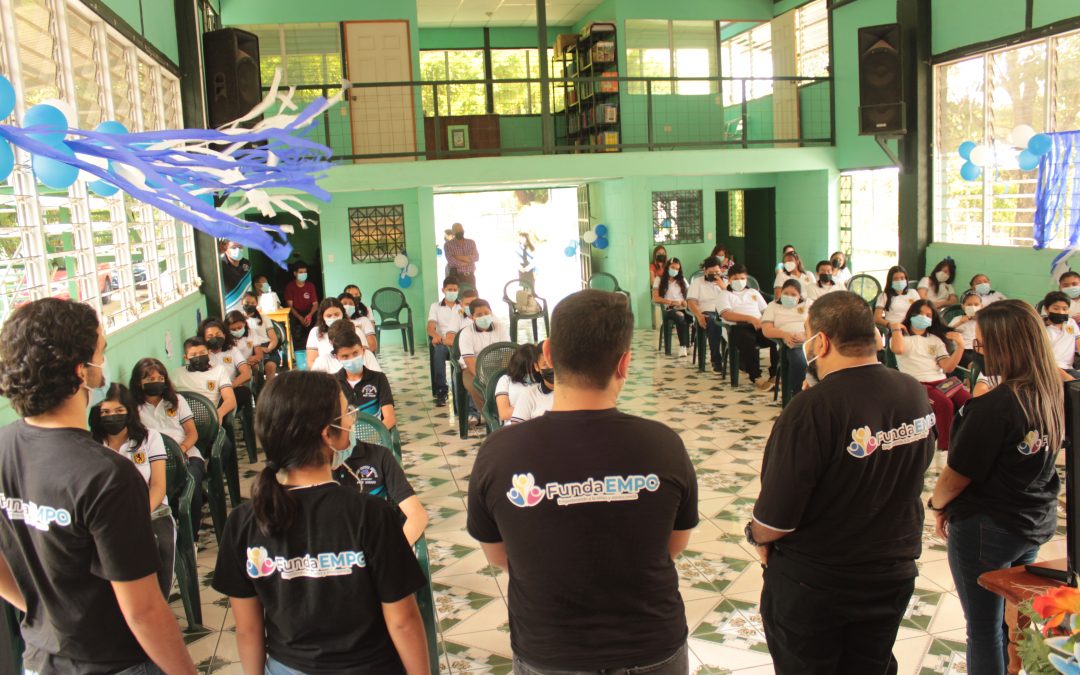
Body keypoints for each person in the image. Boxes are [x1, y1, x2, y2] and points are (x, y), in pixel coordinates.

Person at [468, 290, 697, 674]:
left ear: (549, 354)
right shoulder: (663, 445)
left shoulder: (499, 453)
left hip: (550, 651)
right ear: (624, 363)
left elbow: (499, 555)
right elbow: (673, 545)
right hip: (652, 647)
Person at [0, 298, 196, 674]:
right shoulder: (107, 475)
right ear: (81, 371)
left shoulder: (5, 448)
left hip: (41, 657)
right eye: (101, 352)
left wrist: (46, 612)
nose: (102, 364)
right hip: (113, 662)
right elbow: (144, 610)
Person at [751, 291, 935, 674]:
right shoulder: (913, 391)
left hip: (820, 584)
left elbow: (775, 519)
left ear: (821, 341)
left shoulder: (812, 409)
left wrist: (757, 537)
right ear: (876, 339)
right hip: (891, 570)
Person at [212, 371, 429, 674]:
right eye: (347, 413)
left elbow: (248, 630)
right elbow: (403, 621)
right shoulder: (372, 514)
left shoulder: (242, 522)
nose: (353, 420)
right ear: (328, 434)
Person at [928, 300, 1064, 675]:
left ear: (1007, 347)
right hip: (1033, 519)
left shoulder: (994, 406)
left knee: (983, 628)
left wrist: (938, 505)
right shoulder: (1055, 392)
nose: (978, 352)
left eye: (983, 345)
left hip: (989, 528)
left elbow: (957, 475)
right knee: (1014, 615)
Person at [90, 384, 174, 597]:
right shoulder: (91, 444)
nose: (112, 417)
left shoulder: (149, 438)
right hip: (108, 513)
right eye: (105, 412)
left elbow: (158, 485)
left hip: (150, 509)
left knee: (160, 544)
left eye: (119, 411)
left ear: (130, 411)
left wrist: (140, 514)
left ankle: (158, 600)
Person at [131, 358, 206, 534]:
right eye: (149, 380)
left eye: (159, 378)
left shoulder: (177, 400)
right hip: (153, 461)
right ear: (138, 382)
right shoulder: (133, 408)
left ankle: (192, 537)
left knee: (192, 483)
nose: (155, 383)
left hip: (186, 454)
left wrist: (181, 449)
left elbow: (192, 433)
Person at [890, 300, 971, 451]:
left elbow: (948, 366)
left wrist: (960, 347)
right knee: (945, 405)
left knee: (970, 403)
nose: (924, 317)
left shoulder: (935, 339)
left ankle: (966, 441)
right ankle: (944, 450)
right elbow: (898, 349)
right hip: (918, 384)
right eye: (920, 314)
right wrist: (895, 329)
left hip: (942, 382)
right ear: (912, 315)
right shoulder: (901, 337)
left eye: (928, 315)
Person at [719, 264, 777, 390]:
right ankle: (756, 377)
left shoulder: (753, 292)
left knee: (776, 338)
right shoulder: (724, 294)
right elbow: (726, 314)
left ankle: (775, 374)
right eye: (735, 278)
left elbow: (765, 311)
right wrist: (750, 319)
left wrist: (766, 322)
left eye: (742, 278)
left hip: (758, 325)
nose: (739, 281)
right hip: (738, 328)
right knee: (747, 339)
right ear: (729, 279)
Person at [331, 325, 397, 430]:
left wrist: (374, 438)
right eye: (345, 356)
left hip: (376, 440)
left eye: (355, 353)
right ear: (336, 357)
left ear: (363, 350)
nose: (351, 359)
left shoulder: (379, 378)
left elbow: (390, 418)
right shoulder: (331, 383)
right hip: (345, 442)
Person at [459, 299, 510, 424]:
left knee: (510, 383)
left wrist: (504, 375)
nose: (484, 317)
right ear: (472, 317)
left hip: (498, 366)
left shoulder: (500, 327)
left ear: (491, 313)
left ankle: (507, 416)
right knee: (476, 387)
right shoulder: (466, 333)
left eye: (487, 313)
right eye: (479, 315)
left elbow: (507, 352)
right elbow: (469, 361)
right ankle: (491, 419)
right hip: (472, 369)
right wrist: (484, 379)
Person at [761, 280, 809, 399]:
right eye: (786, 293)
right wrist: (785, 335)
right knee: (799, 361)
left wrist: (804, 335)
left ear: (800, 296)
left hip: (809, 341)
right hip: (789, 344)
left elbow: (818, 324)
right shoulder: (773, 306)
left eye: (793, 295)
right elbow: (766, 330)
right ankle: (798, 397)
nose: (789, 297)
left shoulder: (809, 304)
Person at [171, 337, 237, 422]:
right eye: (193, 355)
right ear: (186, 358)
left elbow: (230, 400)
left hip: (208, 422)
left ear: (209, 353)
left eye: (202, 353)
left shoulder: (219, 370)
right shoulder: (176, 374)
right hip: (182, 422)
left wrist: (219, 414)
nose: (198, 357)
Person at [687, 256, 728, 373]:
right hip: (707, 313)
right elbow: (691, 302)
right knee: (713, 321)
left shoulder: (725, 282)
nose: (714, 275)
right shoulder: (697, 283)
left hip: (725, 312)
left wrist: (723, 287)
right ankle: (716, 360)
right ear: (705, 271)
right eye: (711, 272)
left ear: (721, 270)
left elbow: (734, 299)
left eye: (717, 272)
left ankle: (741, 361)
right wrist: (698, 315)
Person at [427, 278, 464, 407]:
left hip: (460, 343)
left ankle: (463, 389)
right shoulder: (435, 306)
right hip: (443, 342)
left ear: (458, 291)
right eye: (449, 290)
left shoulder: (462, 307)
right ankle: (442, 391)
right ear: (443, 290)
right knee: (438, 351)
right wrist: (435, 335)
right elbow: (430, 327)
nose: (452, 292)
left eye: (455, 290)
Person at [310, 321, 383, 376]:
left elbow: (379, 380)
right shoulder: (323, 361)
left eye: (355, 354)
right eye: (345, 356)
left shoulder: (366, 355)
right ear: (331, 342)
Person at [652, 257, 691, 357]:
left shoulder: (682, 280)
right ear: (667, 267)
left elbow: (690, 296)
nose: (675, 271)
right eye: (673, 267)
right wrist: (671, 302)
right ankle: (683, 346)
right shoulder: (659, 279)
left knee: (692, 317)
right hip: (668, 309)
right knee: (680, 316)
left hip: (682, 307)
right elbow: (655, 298)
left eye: (677, 269)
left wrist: (684, 302)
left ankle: (689, 344)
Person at [509, 341, 556, 423]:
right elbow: (516, 428)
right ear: (537, 367)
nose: (552, 368)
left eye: (555, 363)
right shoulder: (529, 394)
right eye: (546, 364)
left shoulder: (577, 391)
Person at [494, 343, 539, 423]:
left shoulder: (542, 380)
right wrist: (535, 409)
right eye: (526, 370)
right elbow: (504, 413)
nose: (530, 373)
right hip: (514, 426)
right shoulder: (505, 381)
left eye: (533, 370)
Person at [1041, 291, 1080, 378]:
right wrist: (1069, 379)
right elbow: (1043, 361)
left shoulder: (1071, 323)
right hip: (1048, 371)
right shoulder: (1040, 329)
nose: (1061, 312)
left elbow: (1078, 342)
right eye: (1056, 308)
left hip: (1069, 369)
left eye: (1065, 309)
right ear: (1046, 309)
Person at [242, 292, 280, 378]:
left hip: (266, 347)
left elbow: (274, 339)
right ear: (242, 302)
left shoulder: (264, 318)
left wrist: (268, 349)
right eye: (247, 303)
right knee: (254, 368)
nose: (250, 305)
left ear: (256, 304)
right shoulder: (239, 320)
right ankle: (256, 388)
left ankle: (269, 390)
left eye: (252, 303)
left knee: (270, 366)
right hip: (249, 348)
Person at [284, 262, 318, 350]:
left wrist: (310, 315)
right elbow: (290, 307)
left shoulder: (310, 286)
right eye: (301, 272)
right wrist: (300, 318)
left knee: (317, 318)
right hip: (296, 313)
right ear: (295, 273)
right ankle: (297, 349)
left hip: (308, 312)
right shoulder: (290, 287)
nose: (303, 274)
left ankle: (314, 347)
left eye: (305, 272)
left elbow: (315, 304)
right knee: (292, 320)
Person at [874, 265, 921, 330]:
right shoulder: (884, 296)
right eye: (895, 279)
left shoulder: (913, 293)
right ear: (890, 281)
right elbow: (877, 318)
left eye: (902, 278)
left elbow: (920, 310)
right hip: (895, 328)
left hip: (912, 327)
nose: (899, 281)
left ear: (906, 279)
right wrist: (890, 325)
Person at [305, 297, 347, 368]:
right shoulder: (315, 332)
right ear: (322, 317)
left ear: (342, 313)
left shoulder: (353, 329)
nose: (333, 318)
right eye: (329, 316)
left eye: (336, 314)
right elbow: (311, 361)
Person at [948, 291, 983, 368]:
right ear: (963, 306)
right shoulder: (957, 319)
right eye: (969, 304)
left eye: (976, 304)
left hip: (980, 351)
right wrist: (960, 322)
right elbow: (946, 334)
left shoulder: (983, 321)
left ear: (981, 306)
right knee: (975, 366)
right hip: (962, 350)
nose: (973, 307)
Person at [444, 222, 479, 287]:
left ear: (463, 230)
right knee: (456, 296)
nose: (459, 231)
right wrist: (468, 261)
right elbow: (451, 262)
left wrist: (458, 257)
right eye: (456, 230)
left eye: (460, 229)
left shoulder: (471, 242)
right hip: (456, 276)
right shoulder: (448, 245)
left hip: (470, 276)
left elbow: (476, 257)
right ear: (453, 232)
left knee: (472, 295)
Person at [219, 240, 251, 311]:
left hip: (246, 309)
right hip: (229, 309)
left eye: (240, 247)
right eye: (233, 247)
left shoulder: (247, 264)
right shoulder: (220, 265)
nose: (238, 250)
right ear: (225, 249)